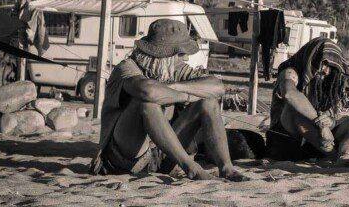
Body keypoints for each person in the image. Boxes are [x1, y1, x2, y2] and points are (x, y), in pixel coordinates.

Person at [90, 19, 242, 181]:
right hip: (124, 158)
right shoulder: (127, 67)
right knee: (146, 104)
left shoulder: (172, 69)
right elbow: (149, 91)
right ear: (164, 55)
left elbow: (217, 88)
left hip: (162, 157)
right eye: (180, 54)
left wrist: (176, 87)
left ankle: (227, 168)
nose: (184, 59)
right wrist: (189, 95)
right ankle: (192, 169)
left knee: (208, 102)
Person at [265, 37, 349, 166]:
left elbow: (348, 108)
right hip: (288, 143)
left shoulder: (335, 79)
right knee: (294, 110)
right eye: (322, 63)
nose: (325, 70)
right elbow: (289, 94)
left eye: (330, 65)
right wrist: (321, 124)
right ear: (311, 59)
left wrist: (330, 121)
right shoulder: (291, 71)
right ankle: (333, 156)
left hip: (320, 141)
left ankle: (344, 158)